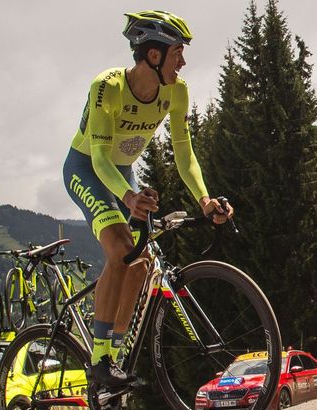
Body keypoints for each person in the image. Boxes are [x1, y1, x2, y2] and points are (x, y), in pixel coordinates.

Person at [62, 10, 233, 387]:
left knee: (141, 262)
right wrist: (127, 197)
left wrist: (205, 200)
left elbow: (184, 154)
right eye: (177, 53)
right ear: (153, 55)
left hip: (122, 172)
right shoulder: (107, 87)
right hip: (87, 168)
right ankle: (99, 359)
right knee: (122, 249)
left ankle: (115, 356)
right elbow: (101, 157)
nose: (183, 62)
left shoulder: (177, 90)